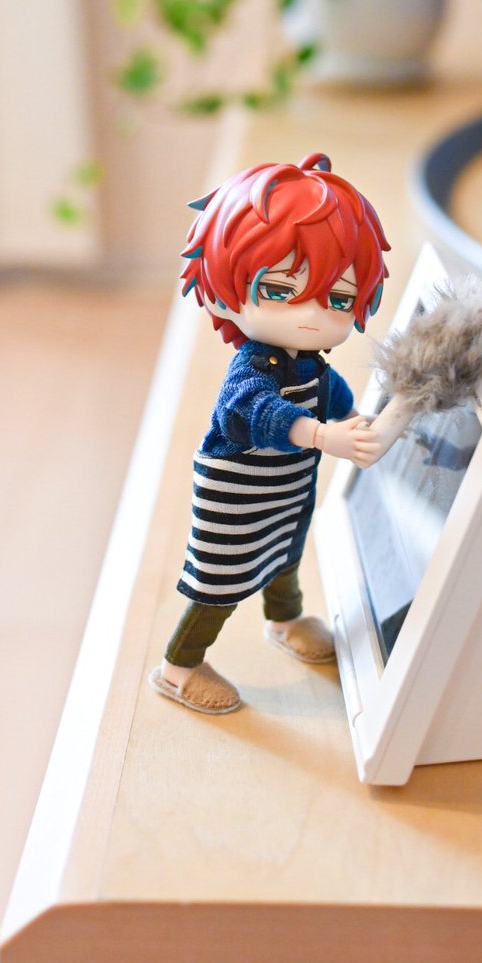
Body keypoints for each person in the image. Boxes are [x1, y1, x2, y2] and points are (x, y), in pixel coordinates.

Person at [149, 152, 390, 714]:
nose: (313, 314)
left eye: (337, 299)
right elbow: (253, 413)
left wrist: (351, 420)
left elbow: (331, 395)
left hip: (284, 491)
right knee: (220, 582)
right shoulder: (252, 370)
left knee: (283, 556)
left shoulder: (310, 364)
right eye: (281, 290)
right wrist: (323, 437)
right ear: (224, 291)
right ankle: (178, 667)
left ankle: (284, 619)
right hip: (236, 497)